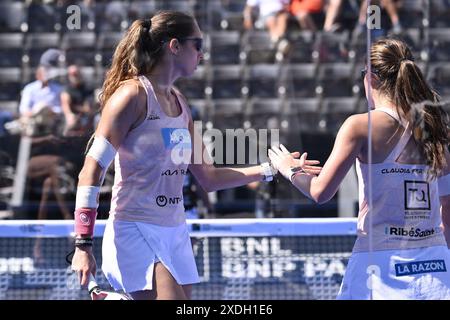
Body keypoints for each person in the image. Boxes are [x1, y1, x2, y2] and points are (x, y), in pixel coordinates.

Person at [70, 11, 320, 300]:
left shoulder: (181, 104)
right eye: (197, 45)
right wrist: (82, 244)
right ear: (174, 46)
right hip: (134, 228)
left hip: (175, 230)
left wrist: (272, 168)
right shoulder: (131, 96)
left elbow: (209, 178)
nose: (202, 54)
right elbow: (90, 171)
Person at [269, 38, 450, 299]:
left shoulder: (359, 126)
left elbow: (320, 192)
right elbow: (448, 214)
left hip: (380, 268)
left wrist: (290, 169)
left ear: (372, 78)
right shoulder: (434, 128)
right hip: (435, 268)